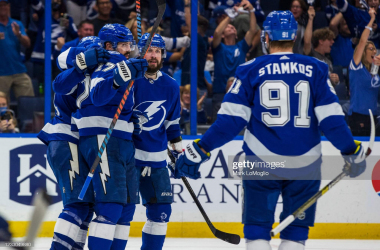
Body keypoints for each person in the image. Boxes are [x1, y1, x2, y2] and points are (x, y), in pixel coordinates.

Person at [174, 11, 366, 250]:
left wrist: (200, 149)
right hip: (306, 165)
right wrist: (351, 150)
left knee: (257, 233)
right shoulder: (316, 67)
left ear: (266, 38)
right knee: (295, 235)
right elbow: (332, 121)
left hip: (260, 163)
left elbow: (230, 122)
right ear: (294, 37)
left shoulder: (249, 68)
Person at [38, 36, 111, 250]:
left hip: (71, 142)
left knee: (86, 206)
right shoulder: (76, 75)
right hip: (65, 140)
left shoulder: (89, 73)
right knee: (77, 205)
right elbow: (60, 85)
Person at [78, 24, 147, 250]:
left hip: (122, 141)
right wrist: (120, 76)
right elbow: (97, 96)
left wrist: (132, 118)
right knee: (111, 207)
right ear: (109, 46)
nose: (129, 49)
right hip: (104, 139)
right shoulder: (108, 63)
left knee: (126, 208)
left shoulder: (124, 64)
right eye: (124, 44)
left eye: (129, 44)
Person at [130, 33, 182, 250]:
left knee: (161, 213)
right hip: (128, 159)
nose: (153, 55)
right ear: (141, 53)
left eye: (158, 51)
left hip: (158, 160)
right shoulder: (130, 80)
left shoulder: (171, 85)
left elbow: (172, 124)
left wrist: (178, 151)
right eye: (149, 50)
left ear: (163, 55)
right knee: (119, 212)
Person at [211, 0, 257, 122]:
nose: (231, 27)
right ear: (223, 35)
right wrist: (230, 16)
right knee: (218, 125)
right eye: (228, 27)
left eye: (232, 27)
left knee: (240, 125)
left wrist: (251, 10)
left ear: (236, 34)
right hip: (220, 93)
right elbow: (216, 32)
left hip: (240, 92)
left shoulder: (241, 46)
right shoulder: (218, 48)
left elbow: (252, 30)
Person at [348, 7, 380, 136]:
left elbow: (372, 82)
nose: (374, 51)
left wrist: (376, 66)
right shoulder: (356, 67)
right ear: (362, 52)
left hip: (374, 117)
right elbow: (362, 41)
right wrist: (372, 19)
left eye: (374, 49)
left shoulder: (374, 71)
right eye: (370, 48)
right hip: (358, 117)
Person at [0, 0, 34, 100]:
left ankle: (27, 116)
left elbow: (27, 44)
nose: (3, 7)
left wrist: (19, 35)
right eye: (0, 5)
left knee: (28, 102)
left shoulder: (16, 24)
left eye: (5, 5)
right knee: (2, 106)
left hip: (18, 70)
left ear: (9, 6)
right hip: (1, 73)